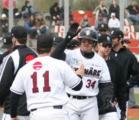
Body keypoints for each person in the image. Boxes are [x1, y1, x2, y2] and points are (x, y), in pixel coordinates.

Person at [10, 33, 84, 120]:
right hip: (58, 113)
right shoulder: (60, 64)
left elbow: (14, 94)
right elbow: (77, 86)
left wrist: (13, 115)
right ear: (52, 47)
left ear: (36, 48)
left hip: (36, 114)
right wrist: (79, 75)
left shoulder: (25, 68)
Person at [51, 27, 111, 120]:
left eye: (89, 41)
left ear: (94, 43)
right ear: (80, 42)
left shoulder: (100, 61)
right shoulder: (71, 54)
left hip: (90, 102)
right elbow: (54, 56)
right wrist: (67, 38)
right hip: (71, 101)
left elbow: (106, 84)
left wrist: (106, 98)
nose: (86, 43)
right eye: (83, 41)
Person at [0, 26, 38, 120]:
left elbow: (3, 84)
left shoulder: (12, 56)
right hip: (33, 110)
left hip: (13, 112)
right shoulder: (35, 55)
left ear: (14, 39)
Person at [110, 29, 139, 120]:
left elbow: (137, 73)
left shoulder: (129, 56)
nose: (111, 40)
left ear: (120, 39)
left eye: (114, 38)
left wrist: (127, 84)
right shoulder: (107, 52)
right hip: (106, 94)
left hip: (122, 96)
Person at [97, 34, 126, 120]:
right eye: (105, 45)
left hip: (110, 106)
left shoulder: (117, 65)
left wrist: (123, 110)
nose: (108, 48)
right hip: (91, 106)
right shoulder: (90, 61)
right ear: (98, 45)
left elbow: (121, 88)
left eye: (110, 46)